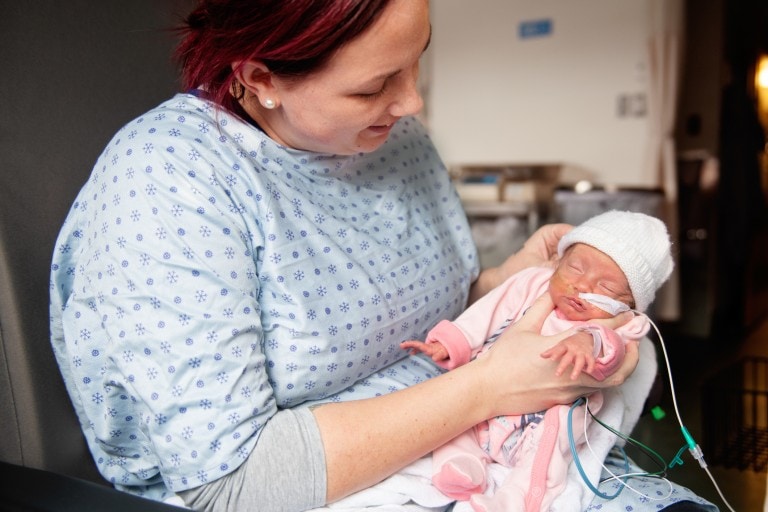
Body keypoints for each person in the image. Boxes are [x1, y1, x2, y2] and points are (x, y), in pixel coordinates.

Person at [47, 1, 714, 511]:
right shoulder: (170, 181)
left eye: (418, 59)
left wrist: (503, 287)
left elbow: (422, 316)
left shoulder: (397, 142)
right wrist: (488, 387)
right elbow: (234, 483)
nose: (413, 102)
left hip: (481, 439)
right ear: (260, 77)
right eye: (374, 87)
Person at [401, 210, 673, 511]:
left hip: (552, 411)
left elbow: (614, 351)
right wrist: (454, 340)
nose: (582, 286)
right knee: (453, 423)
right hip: (487, 394)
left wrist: (588, 340)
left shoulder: (622, 324)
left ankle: (517, 499)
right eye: (575, 268)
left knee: (548, 452)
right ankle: (463, 465)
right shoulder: (533, 283)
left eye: (606, 287)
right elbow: (492, 308)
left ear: (628, 305)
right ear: (557, 262)